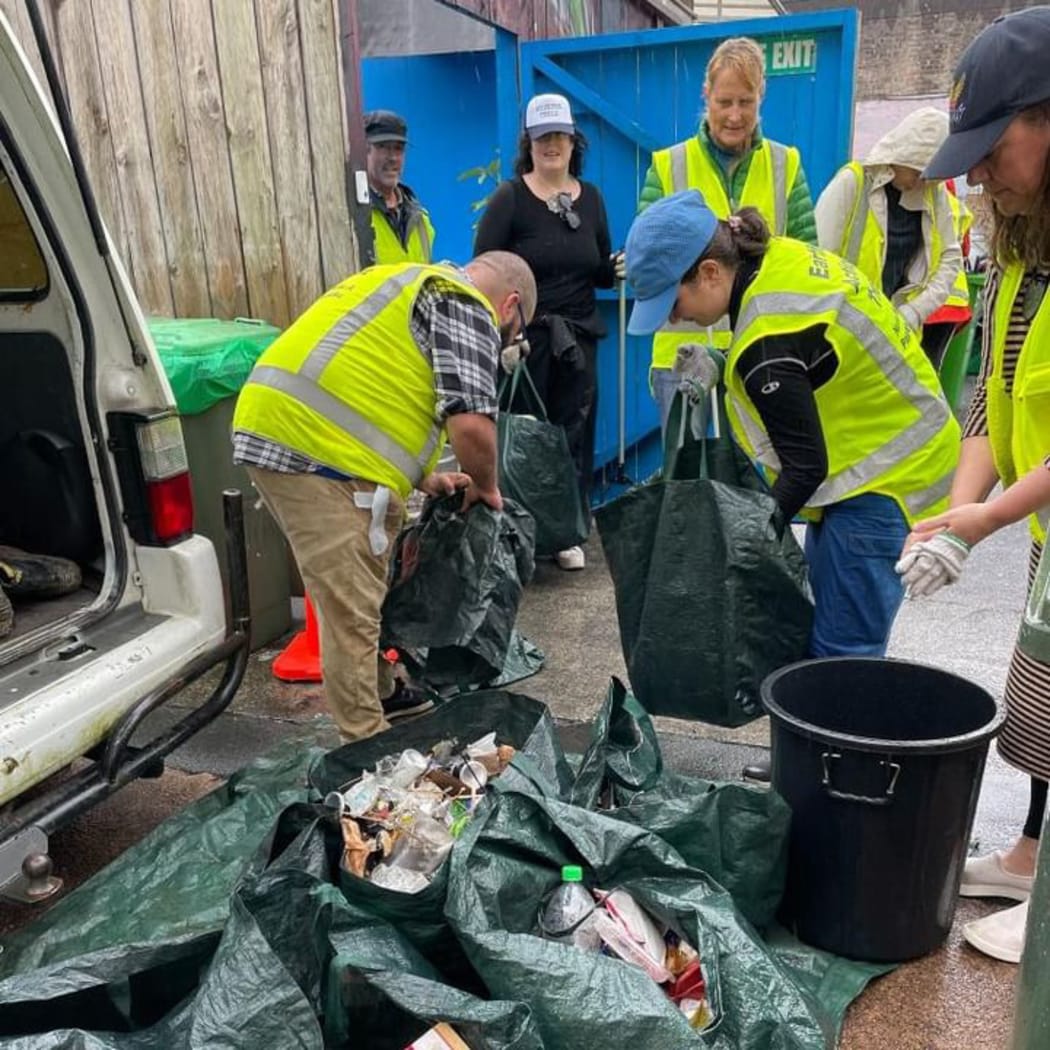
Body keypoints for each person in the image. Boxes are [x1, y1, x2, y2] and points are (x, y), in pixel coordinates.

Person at [624, 190, 961, 658]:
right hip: (877, 454)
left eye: (673, 303)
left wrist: (747, 543)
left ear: (709, 272)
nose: (673, 319)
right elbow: (810, 359)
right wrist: (721, 361)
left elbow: (805, 467)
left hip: (889, 477)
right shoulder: (777, 257)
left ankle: (833, 729)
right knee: (825, 630)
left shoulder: (769, 339)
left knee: (843, 656)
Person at [231, 252, 536, 743]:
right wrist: (487, 486)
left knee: (352, 585)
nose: (507, 342)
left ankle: (383, 690)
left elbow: (374, 387)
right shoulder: (468, 304)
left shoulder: (404, 280)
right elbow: (471, 423)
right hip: (314, 449)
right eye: (514, 333)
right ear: (511, 306)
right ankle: (366, 743)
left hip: (287, 432)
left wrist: (423, 477)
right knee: (352, 602)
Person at [896, 4, 1050, 964]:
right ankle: (1034, 855)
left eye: (995, 144)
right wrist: (962, 507)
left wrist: (988, 518)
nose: (981, 169)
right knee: (1042, 698)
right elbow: (993, 398)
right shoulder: (1019, 250)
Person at [638, 36, 817, 429]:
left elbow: (806, 260)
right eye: (724, 102)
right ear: (706, 96)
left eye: (746, 102)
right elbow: (648, 262)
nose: (735, 115)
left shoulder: (785, 164)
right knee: (690, 484)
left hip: (764, 354)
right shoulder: (670, 166)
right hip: (682, 356)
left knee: (762, 479)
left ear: (761, 98)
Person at [474, 93, 621, 572]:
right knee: (524, 437)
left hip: (577, 339)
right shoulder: (510, 198)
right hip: (526, 340)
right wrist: (501, 340)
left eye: (559, 136)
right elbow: (483, 270)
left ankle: (565, 531)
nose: (552, 146)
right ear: (530, 144)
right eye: (543, 138)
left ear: (573, 140)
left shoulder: (592, 198)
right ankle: (518, 529)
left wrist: (612, 270)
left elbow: (597, 270)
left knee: (573, 436)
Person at [816, 107, 968, 369]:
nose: (923, 183)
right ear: (905, 153)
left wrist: (914, 312)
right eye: (918, 172)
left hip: (894, 332)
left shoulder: (934, 193)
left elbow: (949, 258)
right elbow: (818, 259)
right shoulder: (853, 182)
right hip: (839, 331)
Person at [364, 110, 435, 266]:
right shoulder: (356, 215)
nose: (392, 158)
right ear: (365, 150)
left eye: (398, 148)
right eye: (383, 147)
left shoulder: (421, 220)